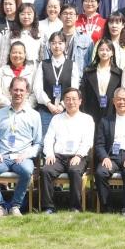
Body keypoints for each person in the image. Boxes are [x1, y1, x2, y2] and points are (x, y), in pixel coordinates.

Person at [0, 77, 42, 218]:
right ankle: (0, 206)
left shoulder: (34, 115)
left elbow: (38, 143)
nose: (18, 93)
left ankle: (15, 206)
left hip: (22, 157)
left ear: (27, 92)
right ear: (10, 91)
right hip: (3, 157)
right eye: (15, 90)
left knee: (27, 170)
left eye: (21, 90)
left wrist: (27, 154)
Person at [39, 85, 93, 213]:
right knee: (46, 170)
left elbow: (88, 141)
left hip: (78, 156)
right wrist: (49, 154)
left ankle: (75, 207)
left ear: (80, 101)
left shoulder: (87, 119)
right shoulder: (56, 118)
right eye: (67, 99)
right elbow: (48, 139)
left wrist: (79, 155)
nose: (71, 102)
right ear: (64, 101)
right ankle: (48, 207)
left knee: (75, 171)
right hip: (58, 156)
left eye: (74, 99)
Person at [35, 32, 79, 133]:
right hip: (46, 110)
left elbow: (74, 88)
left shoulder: (72, 65)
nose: (57, 46)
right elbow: (37, 88)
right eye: (53, 43)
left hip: (66, 110)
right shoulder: (43, 64)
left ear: (65, 45)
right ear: (49, 45)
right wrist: (49, 104)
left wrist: (62, 105)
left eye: (60, 43)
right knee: (45, 138)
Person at [79, 38, 122, 119]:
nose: (104, 52)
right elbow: (83, 93)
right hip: (91, 112)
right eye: (101, 50)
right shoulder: (88, 71)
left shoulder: (119, 73)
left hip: (111, 112)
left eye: (107, 50)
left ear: (112, 53)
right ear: (97, 52)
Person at [0, 41, 37, 112]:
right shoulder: (0, 71)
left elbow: (35, 94)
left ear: (25, 54)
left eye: (20, 53)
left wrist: (24, 107)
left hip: (26, 111)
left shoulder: (32, 72)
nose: (17, 55)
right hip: (4, 111)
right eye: (14, 52)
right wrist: (11, 106)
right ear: (9, 54)